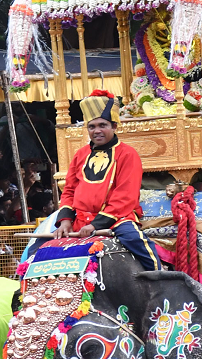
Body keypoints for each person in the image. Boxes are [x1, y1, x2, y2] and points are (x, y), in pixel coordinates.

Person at [52, 90, 161, 270]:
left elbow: (126, 196)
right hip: (80, 219)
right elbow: (69, 190)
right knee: (41, 250)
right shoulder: (80, 155)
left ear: (114, 126)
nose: (97, 131)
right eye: (92, 127)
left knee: (135, 240)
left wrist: (96, 224)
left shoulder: (128, 154)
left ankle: (160, 278)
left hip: (118, 219)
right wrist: (65, 221)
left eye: (102, 125)